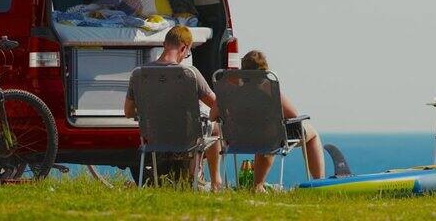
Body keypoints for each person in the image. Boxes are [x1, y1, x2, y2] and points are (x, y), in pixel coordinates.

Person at [124, 25, 223, 190]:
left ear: (164, 44)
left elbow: (128, 112)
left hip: (156, 137)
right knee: (215, 128)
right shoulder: (189, 74)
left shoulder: (139, 74)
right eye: (188, 53)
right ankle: (215, 182)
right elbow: (217, 105)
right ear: (184, 48)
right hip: (186, 137)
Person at [235, 50, 326, 192]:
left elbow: (214, 114)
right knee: (311, 133)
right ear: (264, 70)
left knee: (263, 135)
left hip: (238, 137)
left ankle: (257, 185)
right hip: (269, 137)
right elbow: (292, 113)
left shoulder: (232, 88)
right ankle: (319, 183)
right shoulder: (267, 87)